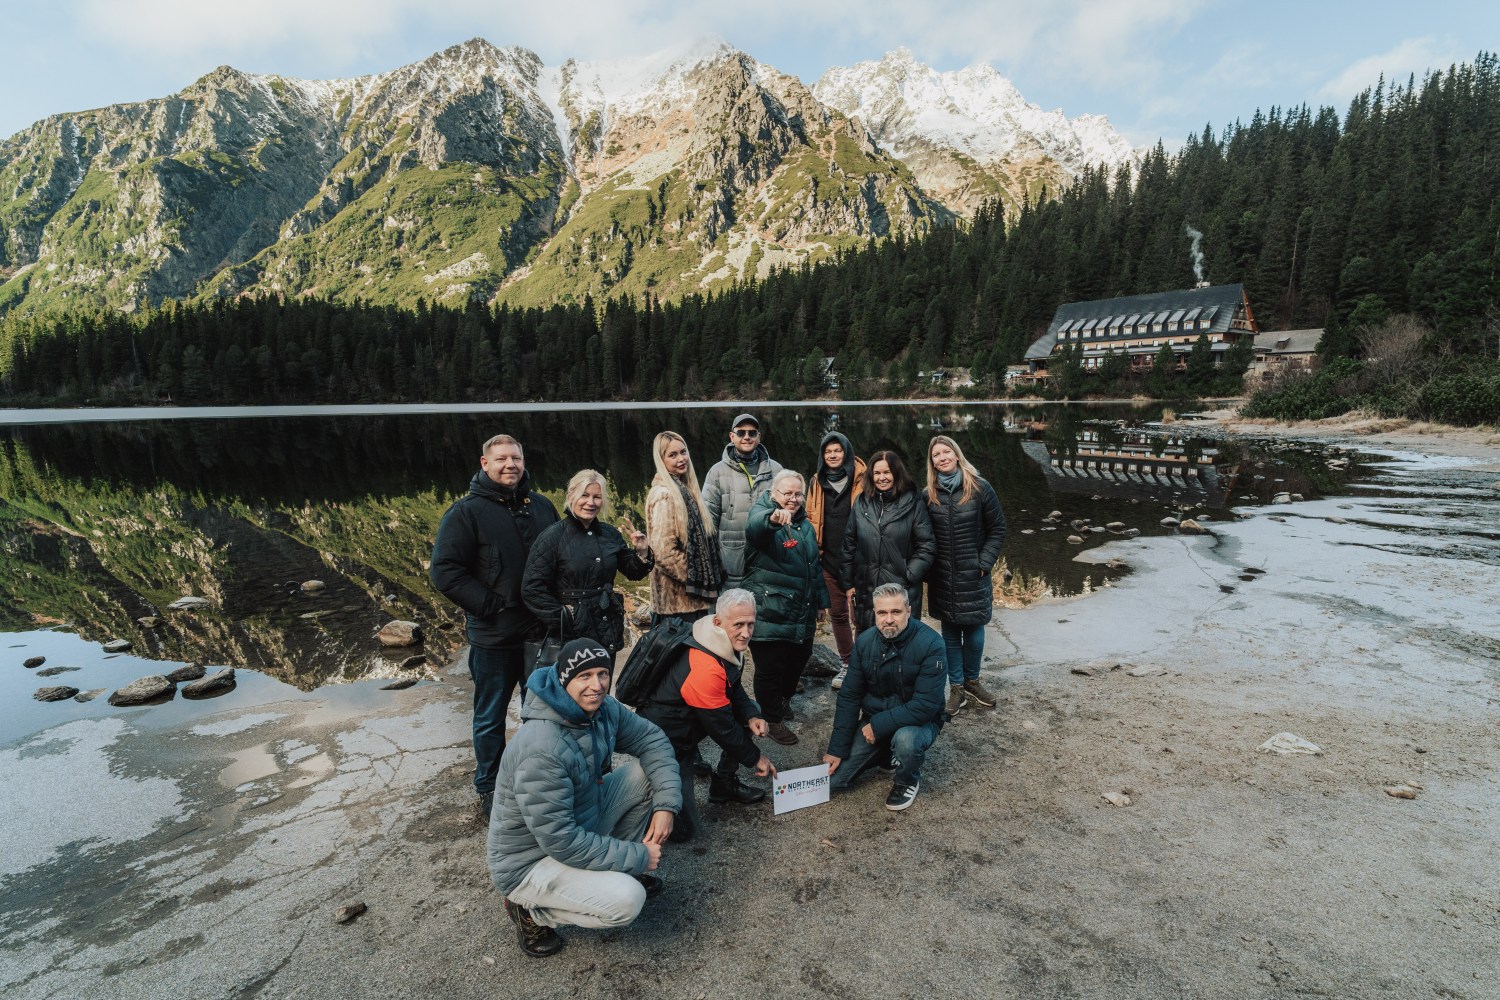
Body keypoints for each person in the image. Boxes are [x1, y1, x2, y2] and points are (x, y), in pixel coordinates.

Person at [489, 638, 683, 957]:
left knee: (647, 775)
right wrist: (637, 856)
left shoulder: (602, 708)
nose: (597, 685)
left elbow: (652, 740)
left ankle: (613, 871)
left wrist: (666, 805)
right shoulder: (541, 749)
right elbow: (562, 841)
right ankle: (530, 910)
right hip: (530, 861)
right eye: (585, 676)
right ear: (565, 679)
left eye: (602, 674)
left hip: (578, 823)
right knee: (628, 900)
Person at [431, 434, 559, 818]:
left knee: (541, 711)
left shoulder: (541, 506)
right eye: (501, 459)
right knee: (490, 716)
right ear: (485, 464)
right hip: (493, 635)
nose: (510, 465)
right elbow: (446, 572)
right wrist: (489, 605)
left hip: (539, 632)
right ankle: (490, 787)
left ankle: (540, 779)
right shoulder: (465, 513)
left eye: (516, 458)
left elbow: (560, 557)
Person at [637, 589, 777, 841]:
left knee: (748, 717)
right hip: (667, 736)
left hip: (693, 717)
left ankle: (723, 785)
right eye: (739, 625)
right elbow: (721, 727)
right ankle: (646, 799)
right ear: (717, 621)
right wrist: (756, 758)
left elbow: (733, 688)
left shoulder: (721, 640)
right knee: (682, 832)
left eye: (750, 624)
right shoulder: (705, 665)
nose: (746, 633)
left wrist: (750, 715)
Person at [822, 583, 947, 812]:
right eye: (882, 613)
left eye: (896, 612)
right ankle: (886, 753)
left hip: (918, 722)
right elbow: (849, 696)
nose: (889, 619)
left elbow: (926, 705)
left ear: (908, 611)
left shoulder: (932, 644)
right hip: (875, 720)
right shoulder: (864, 642)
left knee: (906, 741)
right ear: (874, 613)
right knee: (834, 781)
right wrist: (836, 748)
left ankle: (907, 780)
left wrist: (878, 726)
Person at [522, 469, 653, 656]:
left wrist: (641, 551)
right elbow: (532, 589)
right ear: (571, 495)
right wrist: (567, 616)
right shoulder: (552, 537)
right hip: (569, 635)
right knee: (576, 684)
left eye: (597, 497)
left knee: (602, 682)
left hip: (607, 627)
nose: (591, 503)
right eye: (584, 495)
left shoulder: (610, 534)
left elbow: (633, 572)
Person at [742, 470, 828, 745]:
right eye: (787, 493)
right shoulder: (764, 515)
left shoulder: (806, 526)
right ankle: (772, 718)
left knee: (798, 660)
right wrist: (772, 520)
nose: (793, 499)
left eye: (798, 494)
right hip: (771, 609)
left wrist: (821, 601)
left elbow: (814, 568)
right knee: (770, 667)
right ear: (773, 494)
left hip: (801, 610)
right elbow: (756, 528)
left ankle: (782, 701)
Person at [925, 435, 1007, 714]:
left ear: (957, 455)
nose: (942, 457)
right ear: (932, 462)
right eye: (936, 455)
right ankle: (956, 688)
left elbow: (997, 528)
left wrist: (983, 562)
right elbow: (923, 537)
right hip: (943, 577)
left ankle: (973, 681)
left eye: (946, 452)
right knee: (949, 633)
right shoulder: (929, 495)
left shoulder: (980, 488)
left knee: (974, 631)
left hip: (973, 574)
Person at [839, 449, 935, 635]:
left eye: (887, 472)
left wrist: (909, 573)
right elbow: (849, 543)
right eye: (877, 473)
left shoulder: (913, 502)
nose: (882, 477)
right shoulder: (861, 502)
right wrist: (848, 583)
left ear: (896, 473)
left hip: (901, 587)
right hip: (866, 586)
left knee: (902, 642)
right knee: (867, 639)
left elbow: (927, 545)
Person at [805, 431, 865, 690]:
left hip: (859, 560)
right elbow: (809, 516)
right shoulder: (816, 482)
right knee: (838, 615)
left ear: (846, 452)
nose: (832, 455)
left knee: (861, 616)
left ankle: (863, 665)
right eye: (828, 451)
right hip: (828, 560)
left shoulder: (862, 477)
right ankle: (847, 664)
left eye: (837, 450)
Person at [644, 431, 721, 625]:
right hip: (677, 607)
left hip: (691, 602)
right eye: (672, 455)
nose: (681, 459)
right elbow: (663, 553)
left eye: (683, 452)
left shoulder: (685, 490)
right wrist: (698, 578)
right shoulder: (665, 495)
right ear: (661, 460)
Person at [701, 413, 783, 590]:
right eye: (741, 433)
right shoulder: (716, 472)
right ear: (732, 436)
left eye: (752, 433)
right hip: (730, 565)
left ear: (758, 437)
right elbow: (707, 523)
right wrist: (711, 563)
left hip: (769, 561)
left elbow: (789, 513)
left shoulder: (776, 471)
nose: (747, 437)